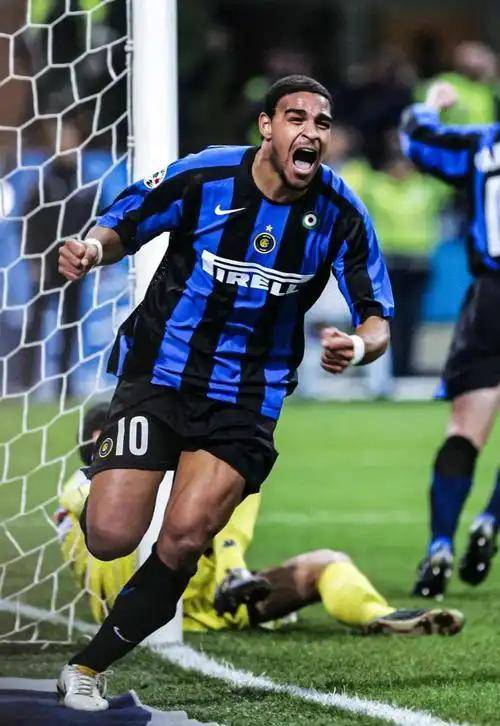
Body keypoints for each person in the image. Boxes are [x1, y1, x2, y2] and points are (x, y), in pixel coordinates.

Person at [56, 74, 394, 711]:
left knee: (184, 539)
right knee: (110, 536)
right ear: (267, 127)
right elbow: (124, 221)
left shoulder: (342, 213)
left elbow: (377, 316)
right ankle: (101, 486)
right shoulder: (205, 176)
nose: (311, 133)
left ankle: (87, 667)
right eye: (296, 118)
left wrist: (358, 346)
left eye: (322, 123)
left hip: (247, 397)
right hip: (160, 374)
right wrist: (92, 251)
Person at [400, 81, 500, 598]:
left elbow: (416, 140)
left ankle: (440, 544)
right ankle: (490, 518)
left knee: (464, 430)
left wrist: (430, 105)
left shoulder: (483, 143)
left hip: (490, 299)